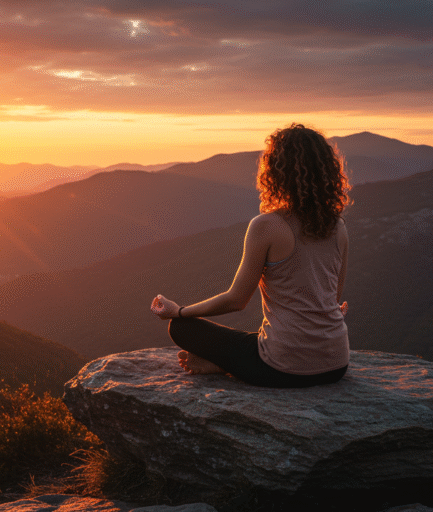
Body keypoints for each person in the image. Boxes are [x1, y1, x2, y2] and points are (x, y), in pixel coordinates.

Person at [150, 123, 351, 388]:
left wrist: (180, 311)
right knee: (259, 339)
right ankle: (228, 363)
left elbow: (236, 300)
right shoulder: (338, 227)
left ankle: (223, 365)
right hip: (336, 364)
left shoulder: (267, 226)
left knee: (181, 328)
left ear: (276, 171)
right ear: (327, 172)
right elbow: (333, 299)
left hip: (282, 369)